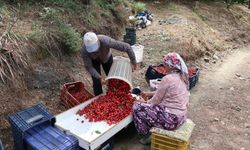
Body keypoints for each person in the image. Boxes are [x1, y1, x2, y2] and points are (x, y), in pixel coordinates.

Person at [132, 52, 189, 144]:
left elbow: (155, 101)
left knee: (137, 107)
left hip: (171, 120)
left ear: (170, 66)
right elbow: (168, 93)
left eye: (165, 64)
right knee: (149, 107)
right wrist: (148, 93)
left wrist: (143, 102)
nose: (163, 66)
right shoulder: (182, 77)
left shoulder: (168, 78)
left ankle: (146, 136)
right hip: (181, 118)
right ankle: (151, 127)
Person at [82, 32, 137, 96]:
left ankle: (114, 95)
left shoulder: (105, 41)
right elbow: (89, 67)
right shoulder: (84, 50)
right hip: (94, 61)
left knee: (113, 79)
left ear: (98, 42)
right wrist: (99, 77)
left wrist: (133, 62)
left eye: (95, 48)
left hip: (107, 58)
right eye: (91, 49)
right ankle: (98, 98)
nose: (94, 51)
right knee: (97, 82)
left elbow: (127, 47)